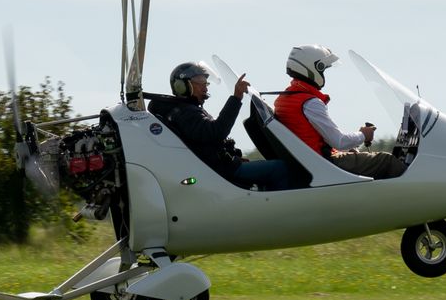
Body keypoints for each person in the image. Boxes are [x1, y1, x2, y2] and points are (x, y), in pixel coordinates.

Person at [148, 62, 293, 191]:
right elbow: (216, 131)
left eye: (205, 80)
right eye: (199, 80)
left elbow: (209, 143)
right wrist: (236, 98)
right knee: (280, 168)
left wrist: (233, 158)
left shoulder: (184, 110)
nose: (205, 84)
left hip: (223, 167)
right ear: (182, 85)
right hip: (221, 171)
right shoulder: (184, 112)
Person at [272, 45, 406, 179]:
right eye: (323, 69)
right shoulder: (310, 103)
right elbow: (339, 141)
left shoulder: (284, 99)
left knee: (361, 156)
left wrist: (351, 146)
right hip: (326, 164)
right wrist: (364, 135)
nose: (324, 74)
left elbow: (313, 138)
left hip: (312, 163)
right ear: (313, 69)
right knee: (386, 161)